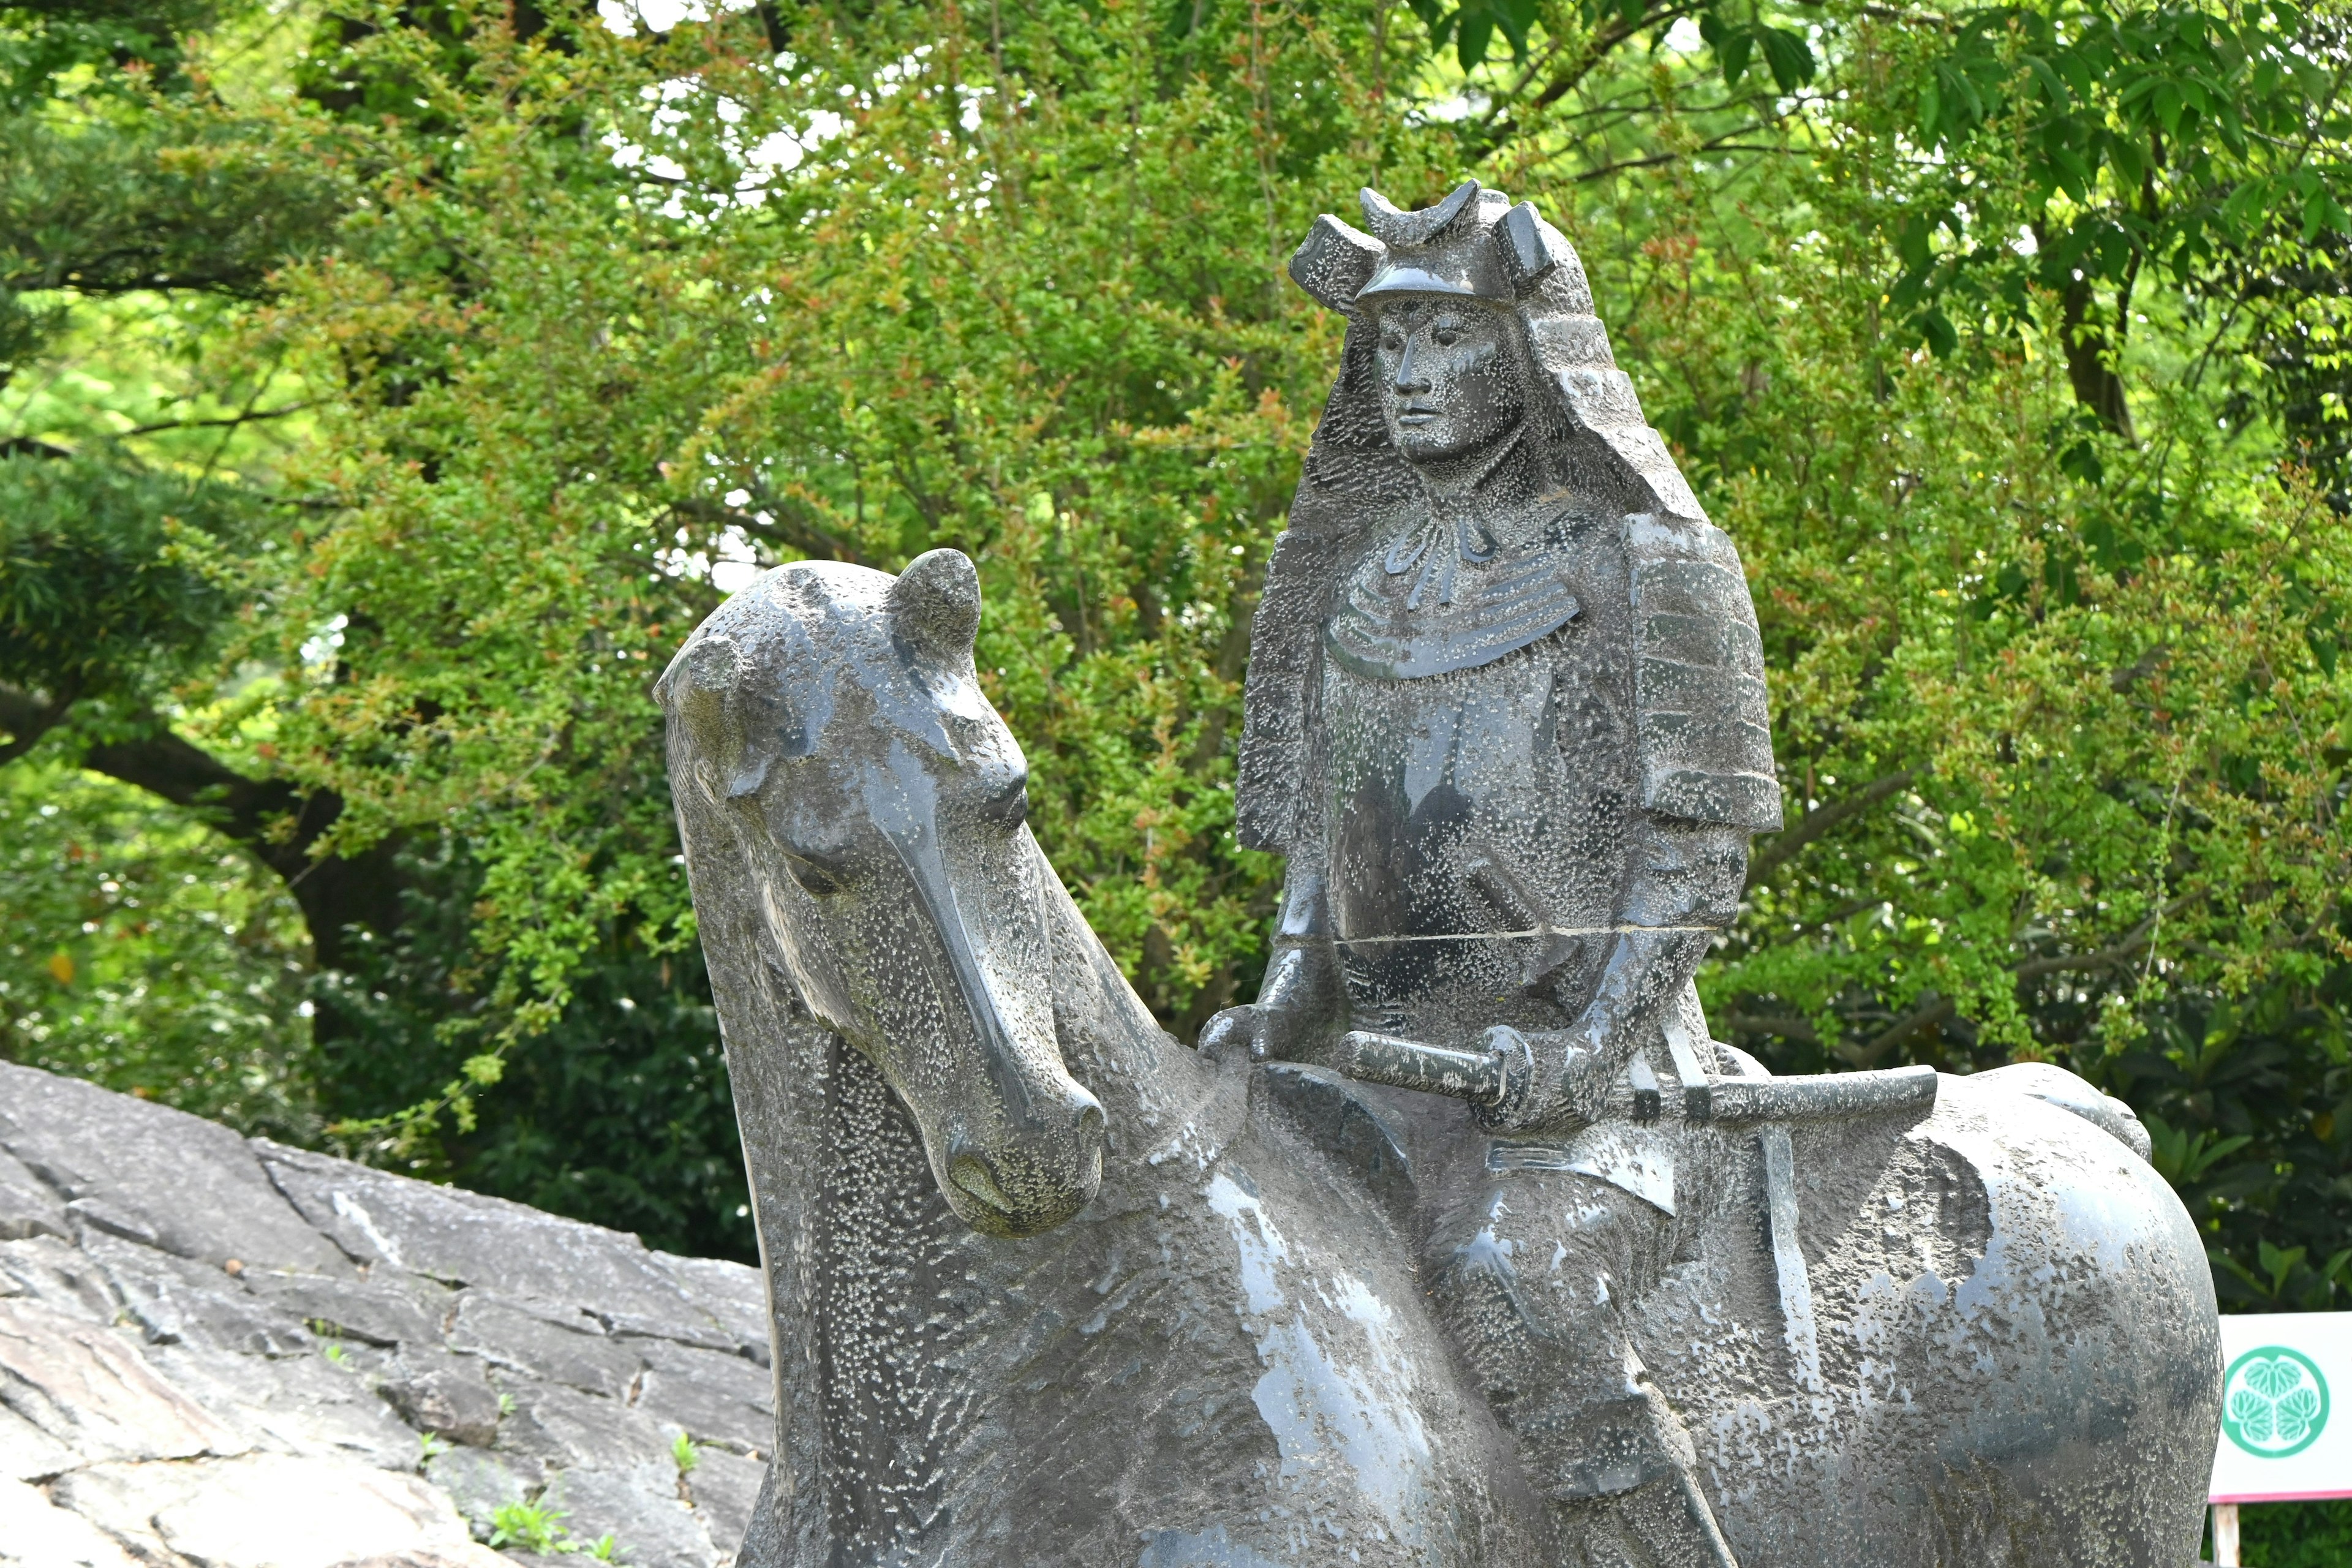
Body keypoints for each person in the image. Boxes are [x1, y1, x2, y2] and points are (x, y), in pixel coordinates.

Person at [1200, 180, 1781, 1568]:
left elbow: (1698, 843)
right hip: (1370, 1065)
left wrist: (1598, 1042)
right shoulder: (1352, 581)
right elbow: (1317, 831)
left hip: (1589, 1089)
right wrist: (1284, 1000)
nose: (1412, 377)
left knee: (1517, 1287)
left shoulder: (1653, 561)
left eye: (1451, 340)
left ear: (1531, 350)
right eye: (1391, 347)